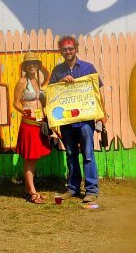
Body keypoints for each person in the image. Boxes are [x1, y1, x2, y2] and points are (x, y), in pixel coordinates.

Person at [50, 35, 106, 203]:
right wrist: (60, 82)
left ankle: (91, 190)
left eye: (71, 48)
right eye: (64, 49)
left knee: (88, 154)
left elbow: (98, 92)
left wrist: (103, 114)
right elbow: (50, 93)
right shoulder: (57, 71)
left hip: (85, 121)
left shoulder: (89, 68)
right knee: (70, 154)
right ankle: (73, 188)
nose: (68, 51)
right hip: (67, 122)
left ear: (76, 49)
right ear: (61, 51)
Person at [13, 51, 53, 204]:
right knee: (29, 158)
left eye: (34, 63)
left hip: (39, 122)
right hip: (29, 123)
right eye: (29, 63)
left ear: (37, 66)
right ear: (25, 66)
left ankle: (28, 189)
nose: (32, 65)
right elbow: (15, 103)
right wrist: (24, 110)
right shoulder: (22, 82)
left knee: (34, 158)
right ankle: (32, 192)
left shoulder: (36, 80)